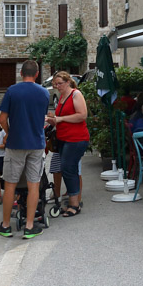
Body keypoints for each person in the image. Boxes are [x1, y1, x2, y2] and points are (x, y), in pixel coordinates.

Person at [0, 59, 49, 240]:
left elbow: (2, 119)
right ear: (37, 74)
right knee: (34, 185)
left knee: (10, 185)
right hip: (36, 144)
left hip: (16, 143)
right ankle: (30, 226)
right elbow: (42, 118)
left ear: (21, 73)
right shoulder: (44, 93)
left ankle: (6, 225)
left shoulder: (12, 91)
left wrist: (9, 132)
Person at [46, 70, 89, 217]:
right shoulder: (62, 96)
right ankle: (73, 201)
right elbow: (62, 117)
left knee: (68, 168)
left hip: (76, 139)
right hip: (64, 138)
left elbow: (82, 115)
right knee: (67, 169)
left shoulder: (76, 94)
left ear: (68, 82)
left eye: (59, 83)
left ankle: (74, 204)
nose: (57, 86)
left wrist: (61, 119)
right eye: (54, 84)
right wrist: (53, 119)